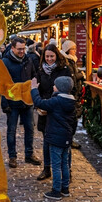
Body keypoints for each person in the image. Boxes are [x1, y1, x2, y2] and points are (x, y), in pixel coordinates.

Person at [31, 76, 76, 200]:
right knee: (65, 164)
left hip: (55, 138)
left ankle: (56, 191)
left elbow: (39, 102)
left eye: (55, 85)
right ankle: (65, 189)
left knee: (56, 165)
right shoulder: (71, 102)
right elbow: (74, 122)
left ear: (60, 88)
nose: (53, 87)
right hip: (66, 138)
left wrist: (34, 89)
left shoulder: (56, 101)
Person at [1, 37, 41, 168]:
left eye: (23, 48)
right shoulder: (5, 62)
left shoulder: (28, 59)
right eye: (19, 49)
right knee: (11, 130)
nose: (22, 51)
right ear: (12, 48)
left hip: (27, 101)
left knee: (30, 128)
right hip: (12, 102)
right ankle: (12, 156)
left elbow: (34, 75)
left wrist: (35, 93)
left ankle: (29, 154)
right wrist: (4, 103)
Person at [35, 44, 72, 181]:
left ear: (57, 55)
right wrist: (38, 106)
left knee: (64, 142)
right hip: (45, 109)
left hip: (60, 110)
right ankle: (47, 168)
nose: (49, 59)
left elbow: (69, 88)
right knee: (46, 141)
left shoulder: (64, 69)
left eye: (52, 56)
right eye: (47, 57)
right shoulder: (41, 70)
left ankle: (67, 170)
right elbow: (38, 88)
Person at [60, 40, 85, 149]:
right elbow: (72, 78)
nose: (76, 50)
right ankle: (68, 139)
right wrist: (81, 74)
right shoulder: (67, 62)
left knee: (72, 118)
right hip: (71, 94)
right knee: (72, 119)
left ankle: (68, 138)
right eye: (73, 48)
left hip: (73, 93)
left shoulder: (71, 61)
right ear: (68, 50)